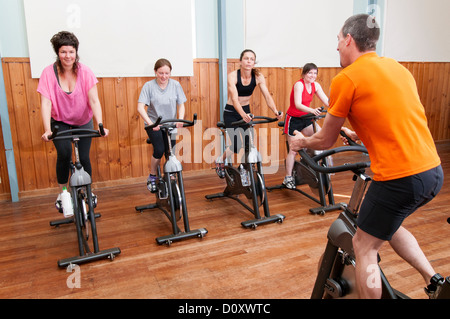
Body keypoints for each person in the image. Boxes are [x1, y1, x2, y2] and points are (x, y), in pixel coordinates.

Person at [290, 14, 444, 299]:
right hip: (432, 172)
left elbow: (324, 138)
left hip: (399, 177)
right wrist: (360, 134)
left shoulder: (346, 78)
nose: (336, 47)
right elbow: (398, 117)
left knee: (363, 245)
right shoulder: (397, 68)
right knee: (389, 225)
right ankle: (434, 281)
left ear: (349, 39)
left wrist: (301, 142)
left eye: (338, 40)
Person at [39, 31, 108, 212]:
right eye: (63, 52)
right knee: (63, 155)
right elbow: (46, 103)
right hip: (60, 121)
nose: (67, 56)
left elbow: (94, 100)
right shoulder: (48, 73)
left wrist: (100, 124)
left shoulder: (85, 72)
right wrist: (47, 130)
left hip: (83, 120)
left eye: (71, 52)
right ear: (58, 53)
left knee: (84, 157)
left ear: (76, 52)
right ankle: (63, 192)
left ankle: (88, 190)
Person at [215, 49, 282, 177]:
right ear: (240, 61)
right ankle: (220, 160)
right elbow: (234, 99)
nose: (249, 61)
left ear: (254, 63)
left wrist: (275, 111)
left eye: (251, 59)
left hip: (245, 111)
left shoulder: (258, 77)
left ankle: (243, 167)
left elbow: (267, 96)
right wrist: (242, 115)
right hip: (231, 112)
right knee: (236, 146)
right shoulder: (233, 76)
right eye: (246, 58)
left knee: (248, 144)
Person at [137, 58, 186, 192]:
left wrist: (180, 119)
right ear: (155, 72)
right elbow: (140, 108)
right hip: (154, 124)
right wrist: (151, 123)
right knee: (159, 149)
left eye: (167, 73)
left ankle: (169, 175)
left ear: (170, 73)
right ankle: (152, 175)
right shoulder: (148, 86)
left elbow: (181, 105)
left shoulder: (175, 85)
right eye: (161, 73)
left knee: (170, 153)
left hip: (170, 124)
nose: (164, 76)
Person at [282, 63, 329, 189]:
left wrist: (338, 108)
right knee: (293, 150)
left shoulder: (316, 85)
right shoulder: (299, 84)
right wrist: (312, 110)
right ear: (304, 74)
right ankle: (288, 177)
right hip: (294, 120)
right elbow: (297, 104)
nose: (312, 75)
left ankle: (307, 162)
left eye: (315, 73)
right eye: (310, 73)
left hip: (307, 119)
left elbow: (327, 101)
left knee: (321, 136)